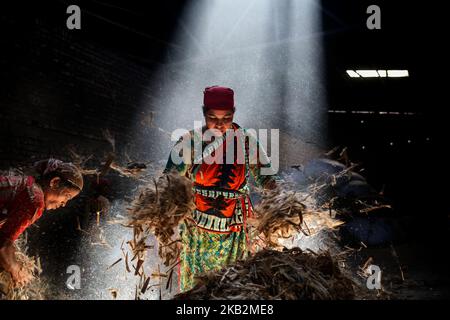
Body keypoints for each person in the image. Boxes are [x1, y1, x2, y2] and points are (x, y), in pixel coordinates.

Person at [164, 86, 279, 291]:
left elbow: (269, 181)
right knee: (197, 289)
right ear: (203, 113)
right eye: (212, 118)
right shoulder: (191, 141)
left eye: (226, 118)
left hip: (234, 230)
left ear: (234, 113)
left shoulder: (246, 142)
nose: (219, 124)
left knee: (232, 286)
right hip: (196, 230)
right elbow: (168, 181)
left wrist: (278, 208)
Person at [0, 158, 83, 287]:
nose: (64, 204)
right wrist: (17, 270)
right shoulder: (35, 200)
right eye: (66, 196)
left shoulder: (26, 184)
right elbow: (3, 245)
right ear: (55, 182)